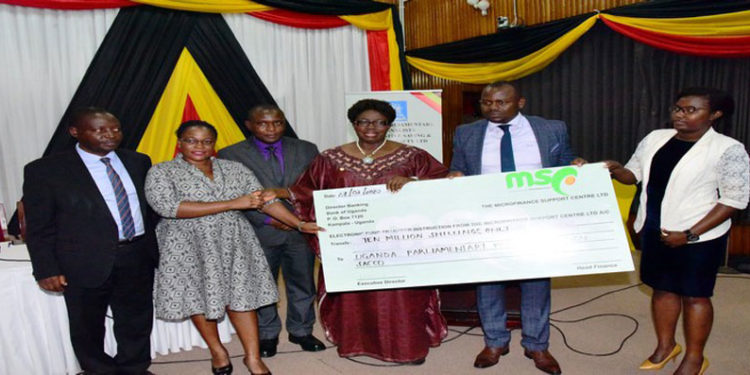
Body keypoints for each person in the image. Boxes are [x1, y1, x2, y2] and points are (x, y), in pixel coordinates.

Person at [270, 99, 449, 363]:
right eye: (363, 121)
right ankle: (357, 343)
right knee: (356, 295)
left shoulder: (412, 155)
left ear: (389, 125)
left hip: (399, 244)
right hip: (352, 244)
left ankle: (406, 347)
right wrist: (280, 193)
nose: (371, 127)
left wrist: (413, 182)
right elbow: (307, 190)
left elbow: (443, 183)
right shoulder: (331, 157)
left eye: (380, 122)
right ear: (353, 124)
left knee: (401, 296)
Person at [145, 120, 321, 375]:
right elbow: (170, 208)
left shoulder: (233, 168)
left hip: (233, 241)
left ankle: (252, 358)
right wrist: (232, 203)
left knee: (243, 297)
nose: (199, 146)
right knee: (199, 298)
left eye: (206, 141)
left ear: (214, 145)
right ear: (179, 143)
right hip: (187, 244)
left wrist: (299, 224)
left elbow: (262, 200)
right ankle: (218, 352)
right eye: (191, 140)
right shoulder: (162, 172)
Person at [605, 87, 749, 375]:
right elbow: (634, 175)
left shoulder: (728, 149)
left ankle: (695, 357)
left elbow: (734, 200)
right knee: (662, 289)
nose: (681, 115)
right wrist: (615, 168)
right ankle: (666, 345)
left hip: (698, 237)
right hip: (655, 230)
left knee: (695, 296)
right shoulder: (656, 138)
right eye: (678, 108)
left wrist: (690, 234)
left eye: (691, 110)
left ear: (715, 114)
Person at [449, 81, 584, 375]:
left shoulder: (552, 128)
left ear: (520, 103)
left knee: (535, 283)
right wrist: (456, 174)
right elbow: (457, 167)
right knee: (488, 281)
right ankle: (495, 341)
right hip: (487, 218)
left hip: (536, 217)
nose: (492, 108)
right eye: (486, 102)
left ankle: (536, 344)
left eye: (501, 102)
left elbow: (564, 164)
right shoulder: (467, 132)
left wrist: (575, 165)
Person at [23, 107, 158, 375]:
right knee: (87, 325)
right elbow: (39, 227)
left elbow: (149, 210)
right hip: (83, 260)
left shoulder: (139, 161)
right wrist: (46, 268)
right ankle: (99, 371)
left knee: (136, 320)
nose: (111, 135)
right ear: (75, 132)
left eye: (116, 129)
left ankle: (134, 368)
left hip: (136, 254)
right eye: (100, 130)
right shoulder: (45, 170)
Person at [218, 105, 324, 358]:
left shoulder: (306, 148)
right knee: (263, 287)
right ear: (249, 125)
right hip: (258, 231)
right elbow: (231, 195)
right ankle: (267, 334)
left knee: (303, 283)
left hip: (300, 230)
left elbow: (315, 186)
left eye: (277, 123)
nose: (271, 128)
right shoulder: (230, 154)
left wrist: (297, 218)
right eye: (263, 124)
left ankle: (301, 330)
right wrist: (266, 221)